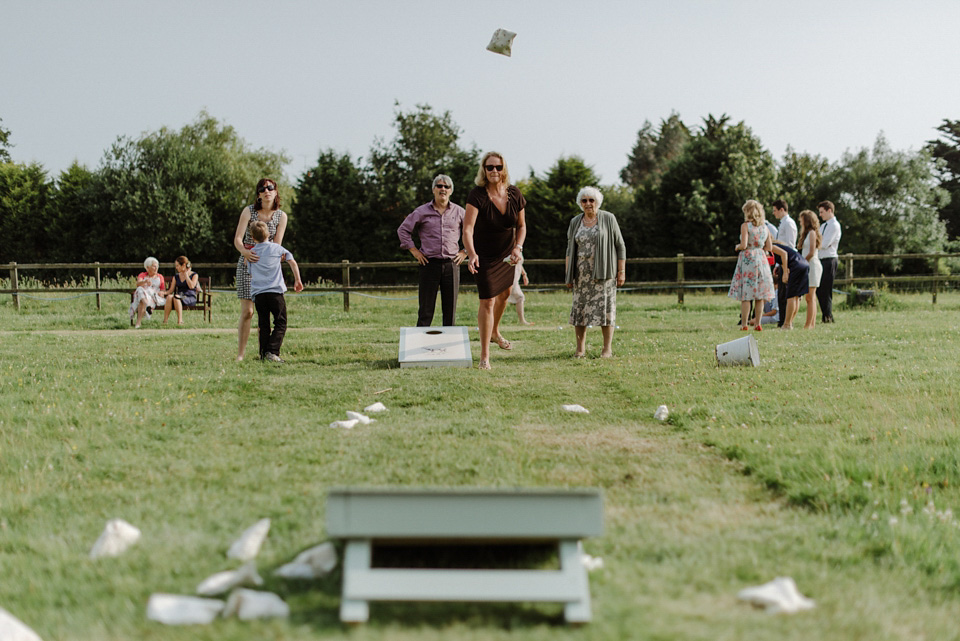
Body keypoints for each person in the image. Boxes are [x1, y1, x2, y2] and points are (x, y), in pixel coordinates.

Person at [463, 152, 527, 370]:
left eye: (498, 167)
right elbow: (468, 229)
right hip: (484, 256)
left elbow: (521, 226)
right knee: (487, 300)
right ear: (484, 169)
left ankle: (495, 332)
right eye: (489, 167)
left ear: (504, 169)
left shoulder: (515, 193)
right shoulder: (477, 195)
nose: (494, 171)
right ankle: (484, 356)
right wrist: (471, 253)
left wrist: (518, 247)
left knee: (506, 294)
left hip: (507, 254)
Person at [565, 186, 627, 357]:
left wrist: (621, 271)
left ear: (597, 202)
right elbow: (570, 250)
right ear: (580, 203)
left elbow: (620, 246)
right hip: (581, 274)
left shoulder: (608, 218)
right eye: (584, 200)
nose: (588, 203)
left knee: (605, 310)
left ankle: (607, 349)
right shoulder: (575, 221)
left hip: (604, 273)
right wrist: (568, 274)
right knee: (580, 311)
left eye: (591, 200)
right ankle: (580, 349)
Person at [397, 174, 467, 326]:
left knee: (450, 311)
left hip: (451, 264)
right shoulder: (421, 211)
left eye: (446, 186)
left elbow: (474, 232)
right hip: (429, 264)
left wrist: (465, 251)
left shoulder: (460, 212)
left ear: (451, 191)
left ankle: (448, 347)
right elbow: (403, 230)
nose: (443, 189)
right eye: (439, 186)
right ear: (433, 190)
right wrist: (414, 250)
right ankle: (420, 345)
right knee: (426, 310)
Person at [233, 178, 288, 361]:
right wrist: (245, 253)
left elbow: (277, 245)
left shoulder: (281, 216)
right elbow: (238, 239)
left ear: (275, 192)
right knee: (248, 312)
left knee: (267, 313)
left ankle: (266, 352)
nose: (267, 191)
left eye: (270, 188)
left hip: (267, 268)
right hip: (247, 263)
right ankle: (241, 354)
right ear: (258, 194)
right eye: (262, 189)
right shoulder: (249, 211)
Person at [247, 221, 303, 362]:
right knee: (281, 322)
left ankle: (263, 353)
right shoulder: (277, 249)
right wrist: (297, 280)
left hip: (259, 294)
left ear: (252, 237)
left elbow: (250, 272)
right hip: (275, 292)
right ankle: (272, 351)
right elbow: (292, 262)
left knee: (263, 324)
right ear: (269, 234)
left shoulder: (251, 254)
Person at [728, 200, 775, 331]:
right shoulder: (765, 228)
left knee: (746, 295)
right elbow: (769, 247)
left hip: (748, 259)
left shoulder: (745, 226)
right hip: (761, 259)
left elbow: (743, 244)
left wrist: (737, 247)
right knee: (760, 295)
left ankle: (744, 324)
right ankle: (758, 323)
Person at [770, 241, 809, 329]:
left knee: (791, 296)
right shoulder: (779, 245)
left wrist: (785, 272)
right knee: (796, 296)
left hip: (796, 265)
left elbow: (784, 254)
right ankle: (790, 322)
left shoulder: (771, 247)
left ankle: (787, 324)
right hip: (803, 263)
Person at [771, 199, 797, 327]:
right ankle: (781, 320)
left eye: (775, 210)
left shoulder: (789, 223)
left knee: (785, 292)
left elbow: (790, 245)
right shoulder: (783, 223)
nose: (774, 213)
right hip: (781, 262)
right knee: (781, 292)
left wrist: (786, 265)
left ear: (782, 209)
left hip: (787, 261)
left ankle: (784, 321)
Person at [817, 200, 842, 323]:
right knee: (819, 289)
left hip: (829, 259)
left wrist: (815, 244)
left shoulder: (834, 225)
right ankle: (825, 314)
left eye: (822, 212)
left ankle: (828, 315)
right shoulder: (823, 226)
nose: (820, 215)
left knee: (826, 289)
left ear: (829, 210)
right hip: (821, 259)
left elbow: (825, 243)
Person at [797, 209, 823, 329]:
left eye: (802, 219)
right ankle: (811, 323)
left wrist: (802, 263)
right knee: (810, 297)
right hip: (808, 265)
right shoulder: (807, 234)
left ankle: (809, 324)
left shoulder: (812, 233)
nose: (800, 221)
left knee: (810, 297)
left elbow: (812, 252)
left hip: (812, 265)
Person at [129, 257, 165, 329]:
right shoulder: (142, 275)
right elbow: (138, 284)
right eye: (154, 266)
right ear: (148, 267)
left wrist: (161, 293)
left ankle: (138, 323)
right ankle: (146, 306)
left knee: (141, 301)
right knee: (140, 289)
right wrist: (145, 282)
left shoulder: (160, 276)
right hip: (143, 295)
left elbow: (163, 289)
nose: (156, 268)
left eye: (157, 266)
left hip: (153, 297)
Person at [162, 256, 199, 325]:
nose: (176, 268)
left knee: (176, 297)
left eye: (177, 266)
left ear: (184, 265)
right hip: (179, 297)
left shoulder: (194, 275)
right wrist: (163, 293)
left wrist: (186, 275)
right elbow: (170, 290)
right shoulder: (176, 276)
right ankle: (165, 321)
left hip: (189, 297)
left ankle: (180, 321)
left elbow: (191, 286)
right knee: (170, 297)